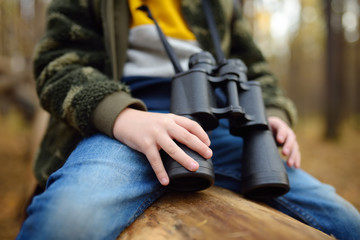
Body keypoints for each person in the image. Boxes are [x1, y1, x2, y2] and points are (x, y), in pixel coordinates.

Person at [17, 0, 360, 239]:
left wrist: (271, 113)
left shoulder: (221, 5)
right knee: (66, 221)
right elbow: (58, 65)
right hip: (128, 121)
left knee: (346, 222)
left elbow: (255, 68)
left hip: (222, 128)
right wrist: (122, 116)